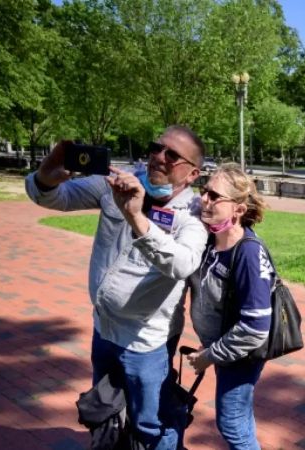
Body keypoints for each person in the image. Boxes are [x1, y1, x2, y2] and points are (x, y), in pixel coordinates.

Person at [26, 125, 208, 449]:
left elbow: (182, 263)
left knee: (150, 424)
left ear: (192, 174)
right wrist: (47, 176)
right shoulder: (117, 182)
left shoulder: (192, 216)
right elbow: (54, 197)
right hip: (103, 328)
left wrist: (136, 217)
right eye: (156, 147)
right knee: (105, 410)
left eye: (172, 154)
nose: (158, 157)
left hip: (147, 341)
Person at [186, 164, 272, 449]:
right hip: (222, 349)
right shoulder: (210, 241)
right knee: (240, 417)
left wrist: (209, 356)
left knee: (231, 423)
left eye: (214, 195)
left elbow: (255, 328)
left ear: (238, 209)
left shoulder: (247, 252)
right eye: (204, 191)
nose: (205, 200)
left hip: (241, 355)